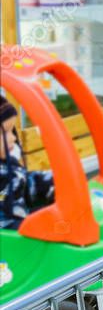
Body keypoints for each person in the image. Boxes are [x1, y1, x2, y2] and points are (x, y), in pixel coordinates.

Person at [0, 96, 54, 230]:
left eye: (13, 130)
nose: (13, 137)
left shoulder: (9, 164)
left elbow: (25, 182)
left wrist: (50, 182)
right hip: (11, 239)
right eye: (5, 132)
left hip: (22, 223)